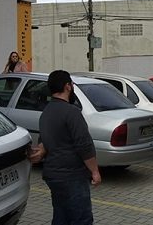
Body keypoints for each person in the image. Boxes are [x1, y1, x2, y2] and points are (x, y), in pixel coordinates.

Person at [28, 70, 100, 225]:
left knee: (61, 216)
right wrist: (94, 171)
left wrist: (41, 150)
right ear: (68, 86)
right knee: (81, 219)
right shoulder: (72, 112)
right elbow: (84, 145)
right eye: (72, 84)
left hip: (53, 176)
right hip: (72, 176)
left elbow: (44, 140)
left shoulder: (46, 112)